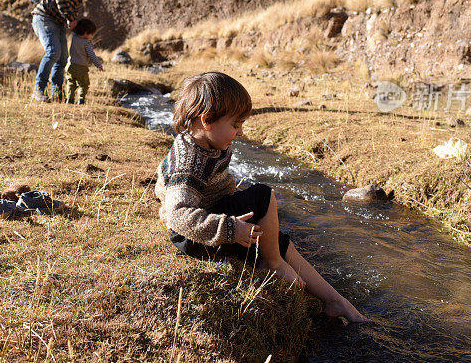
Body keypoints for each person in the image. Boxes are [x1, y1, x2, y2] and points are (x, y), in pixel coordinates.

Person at [155, 72, 368, 322]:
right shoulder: (188, 161)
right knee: (263, 195)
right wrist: (231, 229)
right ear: (207, 120)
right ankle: (272, 264)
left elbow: (164, 183)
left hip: (211, 217)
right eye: (235, 125)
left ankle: (335, 301)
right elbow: (178, 214)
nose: (240, 133)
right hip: (196, 236)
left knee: (274, 238)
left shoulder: (206, 143)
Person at [30, 0, 112, 102]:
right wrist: (71, 18)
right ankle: (39, 90)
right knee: (53, 52)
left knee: (62, 59)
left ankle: (57, 94)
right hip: (44, 17)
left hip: (58, 22)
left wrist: (73, 22)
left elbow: (68, 3)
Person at [65, 18, 104, 104]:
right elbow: (92, 56)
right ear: (86, 33)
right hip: (81, 67)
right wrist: (98, 65)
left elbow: (72, 29)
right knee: (83, 84)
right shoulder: (87, 43)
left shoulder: (74, 37)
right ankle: (81, 100)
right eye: (91, 34)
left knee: (71, 83)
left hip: (70, 65)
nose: (92, 36)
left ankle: (69, 99)